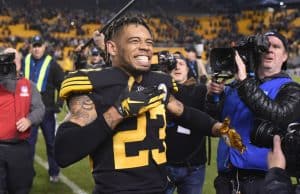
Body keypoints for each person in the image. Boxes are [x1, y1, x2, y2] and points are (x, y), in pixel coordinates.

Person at [54, 15, 244, 194]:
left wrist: (220, 129)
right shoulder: (95, 85)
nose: (145, 47)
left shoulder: (157, 82)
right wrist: (118, 112)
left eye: (149, 42)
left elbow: (184, 113)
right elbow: (64, 152)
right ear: (111, 48)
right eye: (134, 41)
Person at [207, 31, 300, 194]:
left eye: (276, 46)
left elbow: (278, 115)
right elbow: (215, 120)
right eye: (265, 45)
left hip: (263, 181)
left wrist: (244, 83)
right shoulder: (236, 86)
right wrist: (214, 96)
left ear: (285, 56)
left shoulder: (290, 89)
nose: (270, 49)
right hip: (227, 179)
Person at [0, 47, 45, 194]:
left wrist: (29, 120)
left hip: (19, 148)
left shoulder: (29, 85)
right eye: (6, 59)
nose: (10, 62)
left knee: (21, 189)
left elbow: (40, 109)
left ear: (19, 62)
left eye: (13, 59)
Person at [21, 35, 65, 183]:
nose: (36, 48)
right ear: (30, 47)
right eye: (34, 45)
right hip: (29, 113)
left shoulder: (52, 64)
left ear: (44, 47)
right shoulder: (23, 61)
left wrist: (59, 103)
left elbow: (63, 84)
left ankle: (54, 172)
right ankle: (27, 173)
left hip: (47, 112)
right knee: (28, 146)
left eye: (39, 46)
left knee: (51, 144)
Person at [165, 53, 208, 194]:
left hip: (194, 166)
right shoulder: (159, 91)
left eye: (181, 64)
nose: (177, 67)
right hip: (163, 164)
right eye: (173, 64)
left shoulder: (200, 91)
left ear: (188, 70)